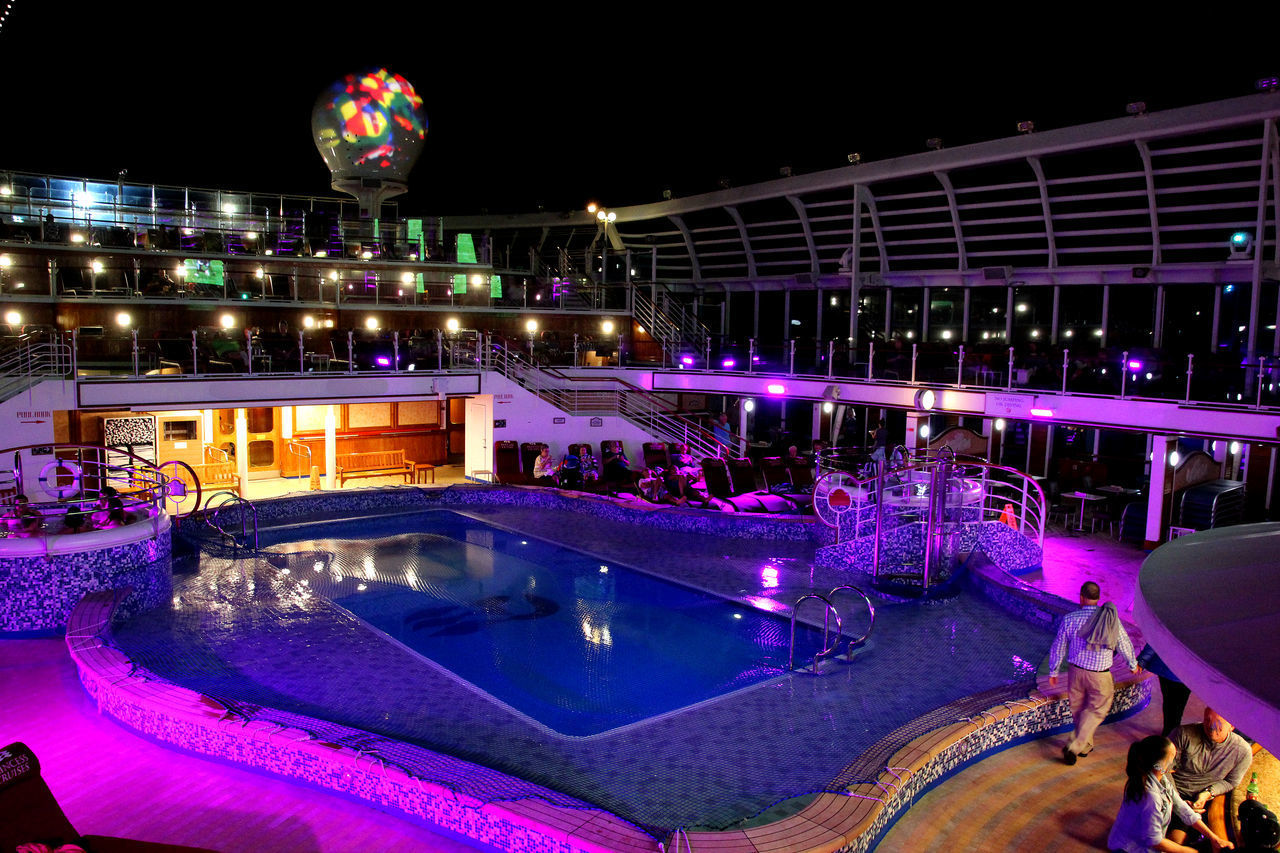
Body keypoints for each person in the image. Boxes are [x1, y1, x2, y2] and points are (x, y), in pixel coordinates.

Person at [1049, 580, 1138, 764]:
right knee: (1096, 710)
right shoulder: (1109, 619)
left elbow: (1059, 646)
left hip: (1075, 673)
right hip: (1100, 675)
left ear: (1081, 597)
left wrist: (1054, 671)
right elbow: (1123, 642)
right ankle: (1075, 746)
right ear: (1098, 598)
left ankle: (1084, 745)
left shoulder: (1070, 619)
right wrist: (1132, 664)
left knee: (1079, 709)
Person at [1107, 735, 1233, 853]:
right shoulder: (1150, 797)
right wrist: (1186, 851)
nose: (1175, 760)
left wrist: (1214, 837)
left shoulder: (1161, 778)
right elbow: (1154, 840)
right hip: (1129, 849)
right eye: (1172, 757)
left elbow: (1183, 809)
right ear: (1159, 765)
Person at [1166, 708, 1253, 845]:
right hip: (1175, 792)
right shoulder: (1183, 733)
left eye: (1218, 723)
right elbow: (1163, 769)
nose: (1212, 728)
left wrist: (1207, 793)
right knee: (1175, 840)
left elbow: (1231, 782)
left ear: (1232, 726)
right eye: (1207, 720)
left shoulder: (1242, 751)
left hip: (1204, 801)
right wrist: (1178, 801)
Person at [1138, 643, 1191, 736]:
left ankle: (1169, 733)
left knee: (1171, 705)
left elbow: (1156, 639)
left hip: (1169, 667)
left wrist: (1142, 660)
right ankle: (1170, 735)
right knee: (1176, 707)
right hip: (1187, 671)